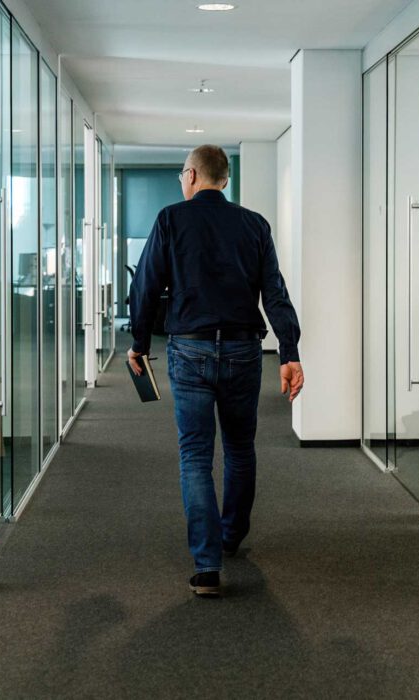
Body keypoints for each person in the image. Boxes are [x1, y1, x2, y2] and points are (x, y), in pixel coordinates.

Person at [128, 144, 303, 597]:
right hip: (245, 351)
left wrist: (139, 343)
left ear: (191, 175)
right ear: (224, 179)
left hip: (190, 350)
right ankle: (230, 537)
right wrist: (289, 352)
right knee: (241, 449)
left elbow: (145, 285)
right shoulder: (254, 225)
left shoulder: (170, 219)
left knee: (195, 456)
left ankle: (206, 566)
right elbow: (276, 293)